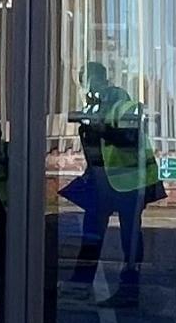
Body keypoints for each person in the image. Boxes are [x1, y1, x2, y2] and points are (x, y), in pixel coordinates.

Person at [66, 62, 161, 307]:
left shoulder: (122, 103)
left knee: (129, 237)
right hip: (104, 180)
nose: (87, 87)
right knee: (91, 232)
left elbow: (129, 137)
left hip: (129, 180)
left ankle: (129, 289)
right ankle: (81, 282)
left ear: (101, 80)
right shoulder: (93, 106)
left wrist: (101, 129)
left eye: (89, 80)